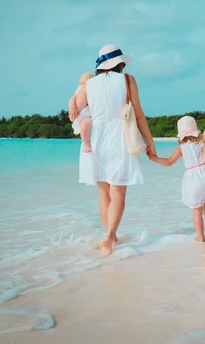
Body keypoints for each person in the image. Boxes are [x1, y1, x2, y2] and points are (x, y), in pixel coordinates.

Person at [72, 44, 156, 256]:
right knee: (118, 190)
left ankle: (111, 235)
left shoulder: (89, 84)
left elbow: (74, 111)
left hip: (96, 137)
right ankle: (110, 236)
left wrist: (75, 97)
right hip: (120, 136)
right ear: (120, 64)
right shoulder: (128, 80)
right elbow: (138, 114)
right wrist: (149, 141)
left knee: (103, 192)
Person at [149, 106, 205, 242]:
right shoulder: (202, 142)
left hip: (192, 180)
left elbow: (169, 162)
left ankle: (201, 237)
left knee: (196, 209)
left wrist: (154, 158)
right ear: (195, 129)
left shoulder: (181, 148)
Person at [68, 72, 94, 152]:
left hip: (87, 113)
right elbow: (72, 99)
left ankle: (86, 142)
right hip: (82, 114)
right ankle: (85, 144)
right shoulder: (81, 88)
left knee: (85, 126)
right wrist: (72, 109)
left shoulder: (90, 89)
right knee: (85, 124)